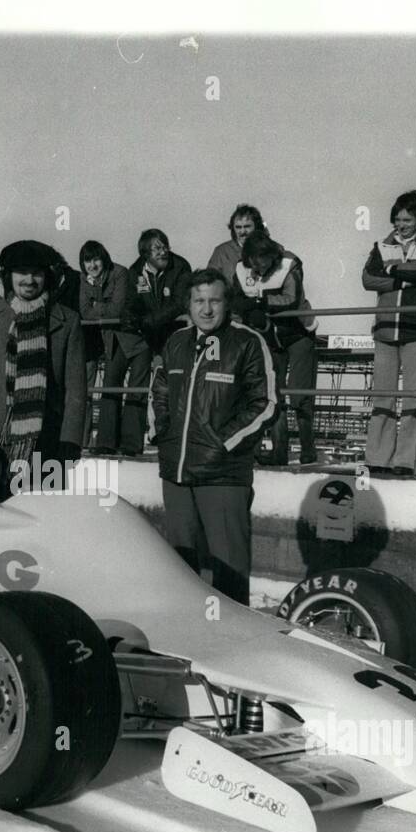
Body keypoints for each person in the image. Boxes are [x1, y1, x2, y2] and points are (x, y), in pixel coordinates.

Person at [151, 268, 277, 606]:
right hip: (176, 473)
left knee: (229, 569)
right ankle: (185, 640)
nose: (206, 309)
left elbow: (264, 403)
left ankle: (233, 646)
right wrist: (162, 432)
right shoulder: (176, 342)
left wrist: (222, 444)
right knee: (179, 567)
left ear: (227, 304)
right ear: (189, 305)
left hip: (223, 474)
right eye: (199, 301)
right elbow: (160, 388)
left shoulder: (247, 342)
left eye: (214, 301)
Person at [0, 239, 87, 477]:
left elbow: (76, 390)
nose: (29, 280)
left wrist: (70, 443)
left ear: (47, 276)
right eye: (22, 273)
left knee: (41, 510)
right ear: (8, 276)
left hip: (48, 438)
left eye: (36, 273)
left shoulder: (68, 321)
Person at [361, 190, 416, 475]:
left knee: (413, 396)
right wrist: (403, 279)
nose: (401, 225)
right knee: (383, 395)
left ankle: (406, 460)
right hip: (385, 329)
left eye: (407, 219)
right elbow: (368, 279)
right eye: (397, 219)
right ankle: (377, 458)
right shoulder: (382, 244)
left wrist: (392, 270)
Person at [229, 231, 318, 466]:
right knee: (273, 395)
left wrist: (260, 303)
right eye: (255, 262)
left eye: (264, 260)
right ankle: (280, 453)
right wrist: (248, 310)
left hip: (298, 334)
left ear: (272, 256)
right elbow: (235, 298)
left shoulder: (289, 264)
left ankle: (309, 449)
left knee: (300, 394)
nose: (260, 267)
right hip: (270, 338)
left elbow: (292, 298)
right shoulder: (241, 270)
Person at [79, 241, 144, 456]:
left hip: (135, 338)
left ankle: (131, 444)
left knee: (136, 390)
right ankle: (106, 442)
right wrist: (100, 307)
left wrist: (97, 306)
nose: (92, 265)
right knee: (109, 387)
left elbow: (118, 308)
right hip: (111, 339)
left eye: (96, 259)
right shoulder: (85, 279)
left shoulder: (119, 273)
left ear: (104, 258)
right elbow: (84, 311)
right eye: (87, 261)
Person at [124, 229, 193, 356]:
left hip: (176, 331)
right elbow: (132, 301)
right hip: (148, 335)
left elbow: (179, 303)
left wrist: (150, 320)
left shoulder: (180, 267)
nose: (163, 252)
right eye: (157, 248)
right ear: (145, 253)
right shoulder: (136, 271)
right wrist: (131, 317)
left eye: (166, 247)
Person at [207, 203, 265, 277]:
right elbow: (210, 280)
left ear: (257, 227)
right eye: (238, 227)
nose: (243, 232)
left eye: (247, 226)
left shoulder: (272, 248)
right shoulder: (221, 252)